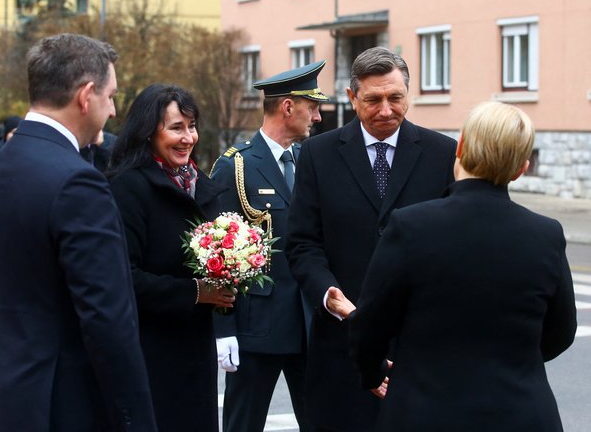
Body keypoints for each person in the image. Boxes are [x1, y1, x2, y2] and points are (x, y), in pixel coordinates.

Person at [346, 101, 577, 431]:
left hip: (425, 411)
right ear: (521, 169)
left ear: (462, 147)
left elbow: (369, 326)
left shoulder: (411, 226)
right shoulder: (546, 234)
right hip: (521, 413)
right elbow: (561, 332)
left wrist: (373, 373)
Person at [0, 33, 157, 431]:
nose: (113, 111)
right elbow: (107, 317)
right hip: (65, 403)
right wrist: (137, 418)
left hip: (10, 393)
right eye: (111, 96)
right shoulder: (78, 181)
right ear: (86, 95)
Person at [285, 46, 458, 431]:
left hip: (419, 346)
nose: (385, 110)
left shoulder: (442, 153)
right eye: (373, 99)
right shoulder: (318, 154)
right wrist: (329, 294)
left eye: (395, 98)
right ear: (351, 98)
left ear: (409, 94)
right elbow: (301, 243)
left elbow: (455, 244)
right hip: (341, 345)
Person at [108, 83, 236, 432]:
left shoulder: (200, 184)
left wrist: (237, 271)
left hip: (195, 348)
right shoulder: (128, 188)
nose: (188, 137)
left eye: (191, 126)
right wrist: (195, 292)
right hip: (150, 349)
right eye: (176, 128)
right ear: (148, 132)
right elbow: (124, 278)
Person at [210, 60, 328, 432]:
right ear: (288, 107)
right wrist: (221, 329)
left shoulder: (310, 162)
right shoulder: (237, 166)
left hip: (308, 326)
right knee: (243, 424)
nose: (319, 117)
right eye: (313, 107)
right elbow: (216, 254)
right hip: (256, 329)